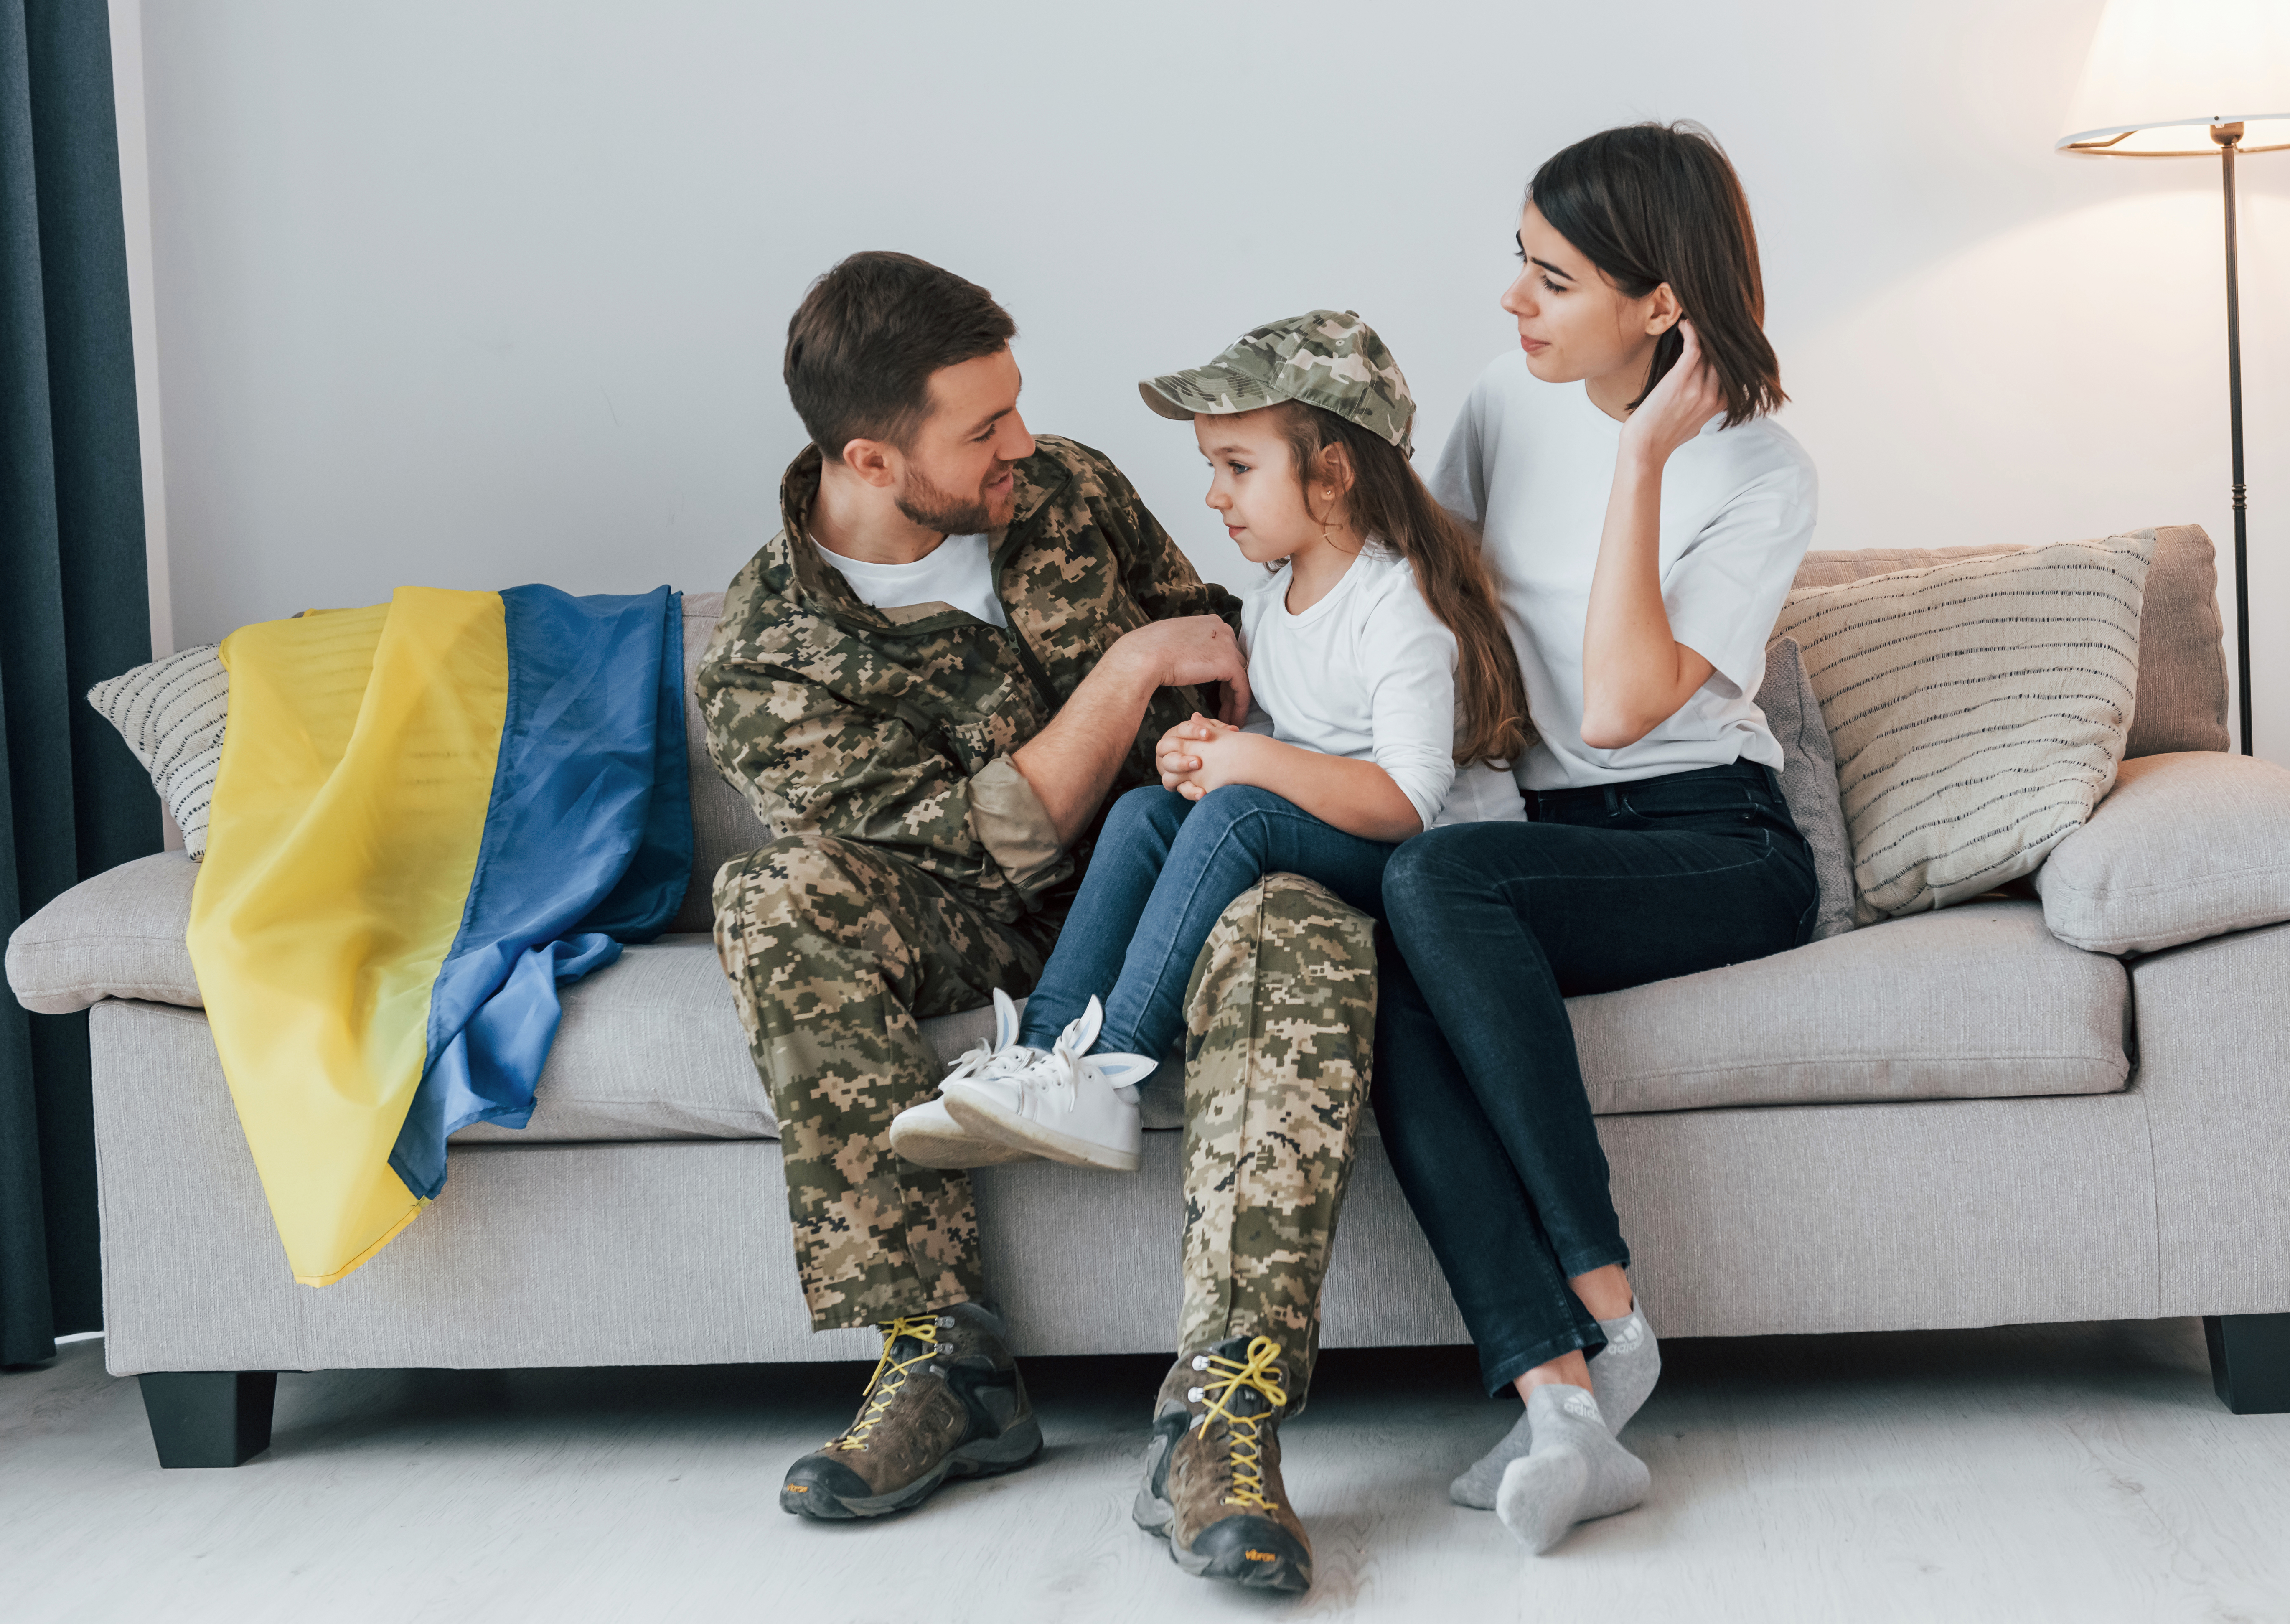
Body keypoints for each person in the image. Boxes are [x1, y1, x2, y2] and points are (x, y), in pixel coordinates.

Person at [697, 251, 1374, 1596]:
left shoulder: (1065, 487)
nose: (1023, 442)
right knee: (769, 896)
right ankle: (942, 1362)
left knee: (1301, 922)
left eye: (1015, 407)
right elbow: (990, 840)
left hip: (1182, 874)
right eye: (983, 429)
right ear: (871, 461)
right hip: (975, 921)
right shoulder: (763, 656)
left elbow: (1225, 644)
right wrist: (1128, 673)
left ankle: (1220, 1408)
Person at [1370, 121, 1822, 1555]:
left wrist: (1639, 463)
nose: (1515, 302)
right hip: (1537, 842)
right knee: (1389, 962)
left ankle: (1612, 1311)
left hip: (1714, 839)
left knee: (1433, 876)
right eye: (1522, 263)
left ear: (1662, 306)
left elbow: (1625, 709)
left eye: (1552, 279)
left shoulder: (1759, 472)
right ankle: (1560, 1393)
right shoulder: (1506, 402)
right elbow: (1418, 602)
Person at [903, 310, 1530, 1176]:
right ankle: (1042, 1054)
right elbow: (1279, 744)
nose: (1213, 494)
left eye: (1236, 467)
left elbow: (1409, 805)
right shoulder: (1271, 604)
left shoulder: (1397, 606)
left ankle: (1111, 1074)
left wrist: (1247, 768)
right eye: (1212, 468)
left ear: (1331, 475)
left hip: (1434, 872)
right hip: (1342, 842)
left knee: (1238, 813)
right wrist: (1205, 754)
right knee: (1143, 811)